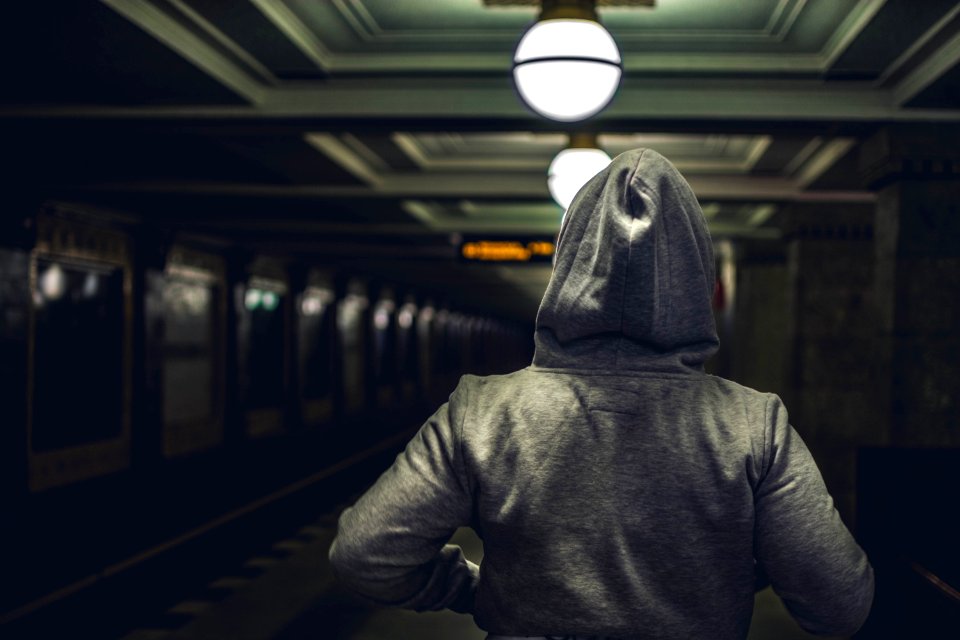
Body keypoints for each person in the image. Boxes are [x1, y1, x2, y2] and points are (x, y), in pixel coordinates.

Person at [328, 149, 874, 639]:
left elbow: (365, 555)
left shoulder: (482, 411)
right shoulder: (754, 425)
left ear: (567, 265)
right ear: (695, 275)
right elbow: (839, 604)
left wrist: (475, 590)